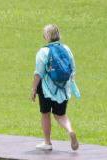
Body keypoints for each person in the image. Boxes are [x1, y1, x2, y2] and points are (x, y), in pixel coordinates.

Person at [31, 24, 80, 152]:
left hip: (46, 89)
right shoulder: (66, 49)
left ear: (46, 36)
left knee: (45, 113)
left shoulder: (43, 51)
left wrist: (33, 89)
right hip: (63, 89)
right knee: (61, 115)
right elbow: (73, 69)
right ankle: (70, 130)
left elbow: (38, 73)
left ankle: (47, 142)